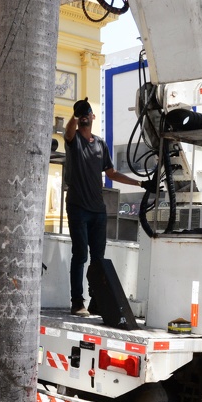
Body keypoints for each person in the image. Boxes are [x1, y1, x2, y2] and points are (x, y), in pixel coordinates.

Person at [64, 98, 149, 316]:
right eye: (81, 114)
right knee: (80, 254)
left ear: (93, 117)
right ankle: (77, 302)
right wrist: (75, 114)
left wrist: (140, 183)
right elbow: (69, 132)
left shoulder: (100, 144)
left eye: (87, 112)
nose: (84, 116)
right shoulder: (74, 140)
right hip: (77, 207)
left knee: (98, 259)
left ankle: (96, 301)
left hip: (98, 211)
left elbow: (112, 173)